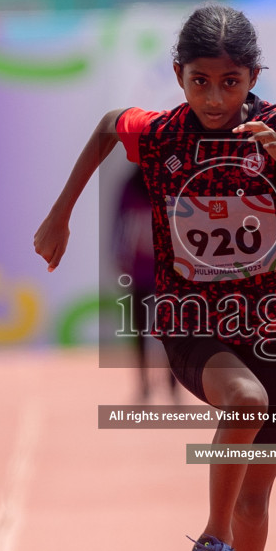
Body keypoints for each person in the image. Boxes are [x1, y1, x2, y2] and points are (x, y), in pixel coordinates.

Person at [33, 4, 276, 551]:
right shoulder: (164, 133)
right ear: (179, 75)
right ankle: (209, 544)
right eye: (199, 81)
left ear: (253, 78)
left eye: (230, 83)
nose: (213, 98)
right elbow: (111, 123)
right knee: (245, 405)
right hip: (192, 320)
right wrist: (61, 212)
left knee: (259, 501)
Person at [114, 169, 179, 403]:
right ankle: (143, 385)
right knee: (141, 330)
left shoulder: (170, 179)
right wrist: (119, 256)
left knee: (172, 330)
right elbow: (119, 221)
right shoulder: (130, 184)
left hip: (169, 269)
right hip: (140, 269)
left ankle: (173, 384)